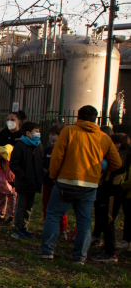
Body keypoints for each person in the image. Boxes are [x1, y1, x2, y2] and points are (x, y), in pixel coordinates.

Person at [39, 105, 122, 264]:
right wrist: (99, 172)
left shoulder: (69, 131)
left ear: (78, 117)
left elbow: (57, 156)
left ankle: (47, 251)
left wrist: (54, 175)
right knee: (84, 221)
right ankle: (80, 257)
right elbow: (116, 162)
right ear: (95, 119)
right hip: (89, 184)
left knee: (53, 216)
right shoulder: (103, 137)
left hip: (66, 181)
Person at [89, 133, 130, 262]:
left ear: (117, 145)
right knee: (102, 219)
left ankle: (110, 253)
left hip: (112, 192)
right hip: (105, 191)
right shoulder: (112, 156)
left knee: (108, 220)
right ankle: (106, 248)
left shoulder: (117, 158)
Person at [9, 121, 43, 239]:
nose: (38, 134)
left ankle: (24, 227)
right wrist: (22, 176)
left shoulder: (38, 145)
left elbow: (40, 162)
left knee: (29, 206)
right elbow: (14, 164)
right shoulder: (20, 145)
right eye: (36, 131)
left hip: (34, 182)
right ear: (28, 133)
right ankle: (17, 227)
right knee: (21, 205)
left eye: (38, 131)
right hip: (24, 182)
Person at [43, 123, 70, 240]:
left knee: (59, 207)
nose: (50, 137)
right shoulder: (48, 149)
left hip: (58, 183)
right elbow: (42, 161)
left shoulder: (65, 149)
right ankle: (47, 227)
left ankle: (62, 228)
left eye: (53, 135)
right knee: (46, 205)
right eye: (50, 134)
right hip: (47, 182)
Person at [0, 144, 17, 223]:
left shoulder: (11, 159)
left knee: (12, 197)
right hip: (3, 179)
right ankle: (0, 214)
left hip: (12, 180)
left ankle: (11, 216)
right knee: (1, 195)